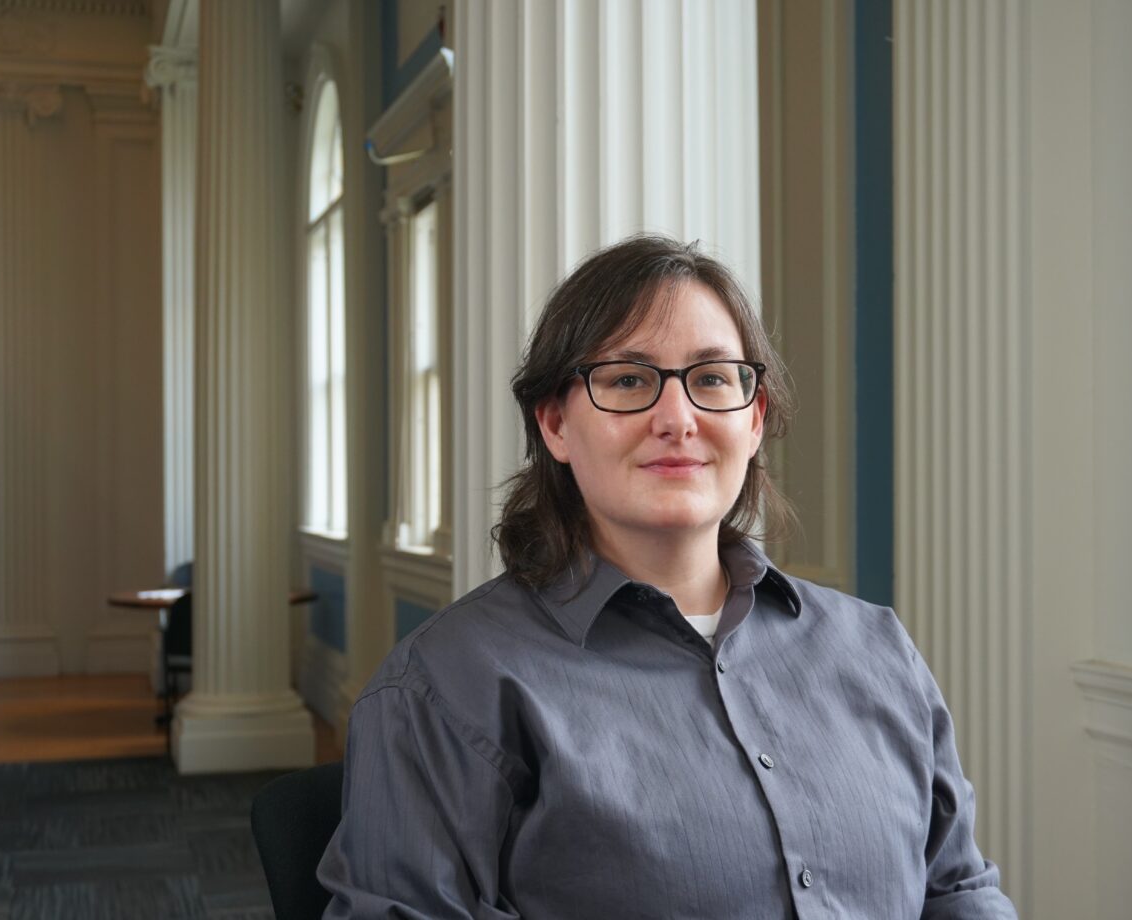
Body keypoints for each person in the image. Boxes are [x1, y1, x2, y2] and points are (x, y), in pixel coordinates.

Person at [319, 235, 1018, 918]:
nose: (678, 419)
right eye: (628, 380)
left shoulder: (877, 649)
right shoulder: (445, 686)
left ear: (753, 420)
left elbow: (957, 890)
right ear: (555, 424)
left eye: (711, 379)